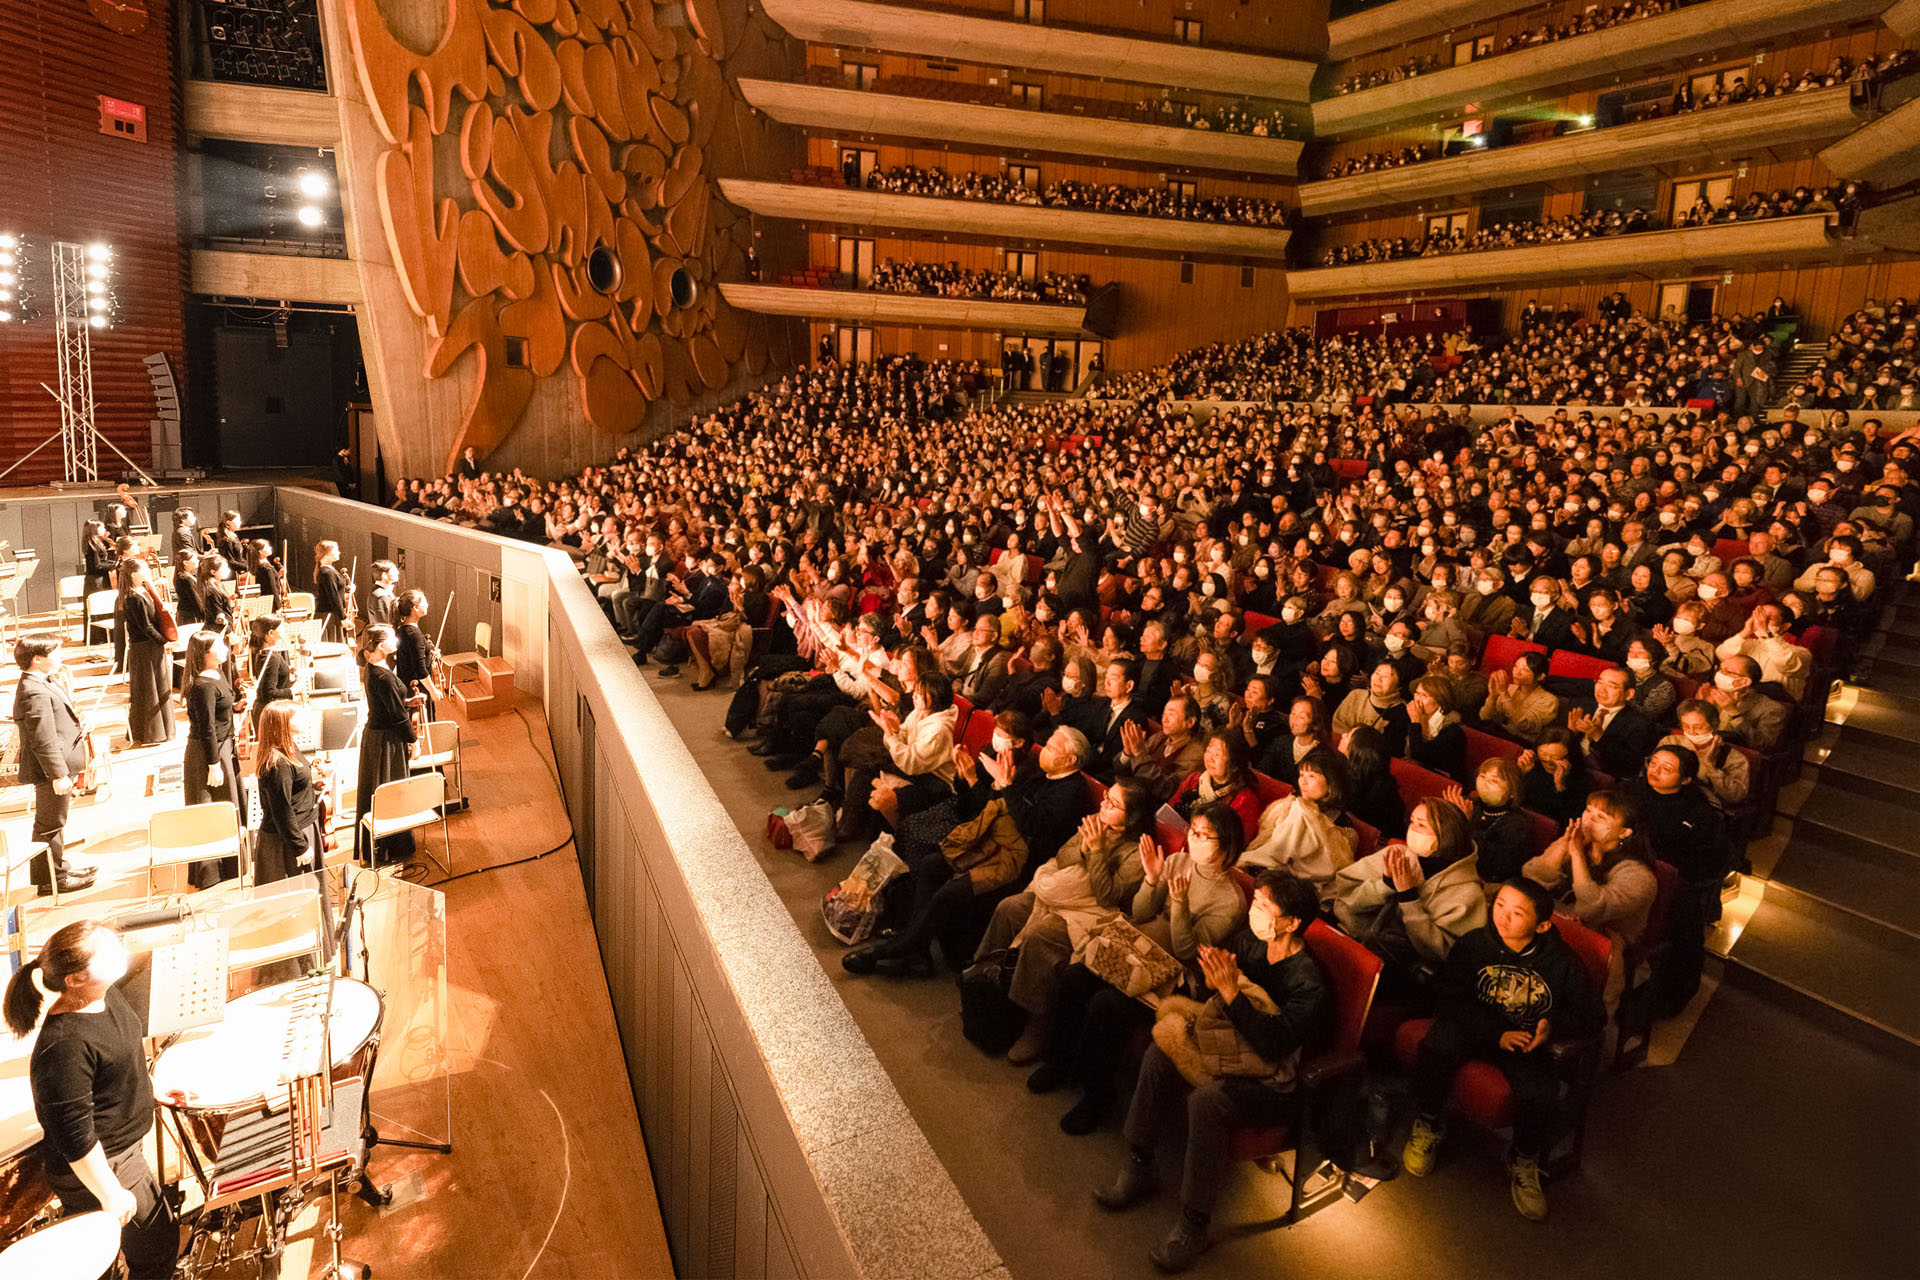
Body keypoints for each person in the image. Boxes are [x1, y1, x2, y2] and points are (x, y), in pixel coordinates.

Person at [1093, 869, 1331, 1273]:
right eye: (1254, 902)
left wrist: (1233, 993)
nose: (1254, 912)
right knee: (1161, 1050)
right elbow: (1216, 997)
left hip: (1274, 1081)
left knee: (1208, 1102)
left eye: (1264, 907)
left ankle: (1194, 1224)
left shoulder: (1307, 982)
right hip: (1231, 1045)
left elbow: (1275, 1044)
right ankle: (1139, 1164)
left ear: (1291, 923)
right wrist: (1214, 979)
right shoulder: (1252, 943)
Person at [1400, 878, 1604, 1223]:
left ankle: (1524, 1158)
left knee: (1541, 1091)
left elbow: (1593, 1016)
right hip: (1476, 1024)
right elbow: (1451, 995)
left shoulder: (1560, 962)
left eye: (1517, 912)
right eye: (1500, 906)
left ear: (1541, 925)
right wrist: (1496, 1033)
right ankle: (1429, 1123)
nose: (1503, 917)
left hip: (1524, 1037)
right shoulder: (1474, 944)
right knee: (1438, 1046)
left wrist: (1551, 1024)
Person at [7, 920, 178, 1278]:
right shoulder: (64, 1046)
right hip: (102, 1163)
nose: (120, 953)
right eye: (106, 954)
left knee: (152, 1245)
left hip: (122, 1152)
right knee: (152, 1252)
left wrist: (150, 1092)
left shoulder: (105, 996)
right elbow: (74, 1135)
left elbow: (121, 1054)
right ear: (75, 980)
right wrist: (110, 1193)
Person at [974, 777, 1153, 1065]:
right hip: (1061, 894)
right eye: (1106, 797)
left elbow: (1108, 896)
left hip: (1091, 913)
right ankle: (983, 981)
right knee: (1009, 907)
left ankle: (1035, 1024)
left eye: (1114, 804)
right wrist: (1084, 847)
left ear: (1130, 818)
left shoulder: (1134, 852)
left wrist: (1096, 851)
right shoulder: (1094, 822)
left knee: (1040, 936)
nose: (1104, 804)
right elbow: (1062, 855)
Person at [1332, 798, 1486, 994]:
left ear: (1445, 834)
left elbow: (1442, 953)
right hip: (1356, 941)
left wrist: (1409, 899)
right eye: (1412, 821)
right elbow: (1347, 899)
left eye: (1421, 825)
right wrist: (1385, 885)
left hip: (1402, 973)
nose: (1412, 829)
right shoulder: (1397, 853)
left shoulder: (1468, 892)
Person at [1523, 789, 1659, 1011]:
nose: (1588, 819)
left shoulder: (1640, 875)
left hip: (1605, 941)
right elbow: (1531, 876)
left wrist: (1576, 855)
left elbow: (1591, 908)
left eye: (1600, 817)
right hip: (1559, 920)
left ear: (1624, 832)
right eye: (1587, 811)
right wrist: (1564, 846)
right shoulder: (1580, 843)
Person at [10, 635, 97, 894]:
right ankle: (51, 880)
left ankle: (59, 868)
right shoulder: (33, 690)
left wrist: (78, 726)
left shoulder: (43, 682)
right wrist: (58, 774)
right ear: (37, 659)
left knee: (56, 821)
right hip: (51, 771)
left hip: (57, 765)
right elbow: (42, 737)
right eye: (55, 653)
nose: (60, 657)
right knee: (49, 824)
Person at [1239, 747, 1356, 896]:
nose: (1303, 782)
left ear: (1331, 784)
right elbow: (1270, 843)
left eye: (1312, 776)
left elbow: (1329, 869)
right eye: (1301, 775)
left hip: (1300, 889)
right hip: (1268, 869)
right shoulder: (1291, 805)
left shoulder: (1344, 828)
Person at [181, 630, 244, 889]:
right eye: (220, 645)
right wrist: (213, 763)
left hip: (223, 748)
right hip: (207, 754)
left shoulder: (217, 675)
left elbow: (221, 710)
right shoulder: (201, 686)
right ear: (206, 653)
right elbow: (206, 728)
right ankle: (209, 872)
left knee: (228, 804)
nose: (226, 648)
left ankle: (230, 866)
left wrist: (236, 707)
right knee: (209, 809)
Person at [356, 625, 424, 864]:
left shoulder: (376, 668)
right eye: (391, 638)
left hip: (381, 737)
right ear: (381, 646)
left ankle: (390, 846)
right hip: (385, 742)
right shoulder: (381, 676)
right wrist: (414, 741)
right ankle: (388, 848)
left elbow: (390, 704)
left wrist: (407, 700)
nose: (396, 639)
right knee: (389, 790)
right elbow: (396, 716)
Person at [253, 701, 327, 883]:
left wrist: (312, 787)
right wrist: (299, 846)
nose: (304, 719)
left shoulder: (290, 746)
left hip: (302, 828)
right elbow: (281, 810)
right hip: (287, 841)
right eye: (297, 716)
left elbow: (292, 791)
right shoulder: (278, 764)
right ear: (282, 723)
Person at [118, 558, 173, 746]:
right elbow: (146, 627)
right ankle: (149, 733)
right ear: (133, 575)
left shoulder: (144, 591)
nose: (148, 572)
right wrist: (164, 641)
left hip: (152, 646)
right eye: (145, 570)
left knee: (159, 687)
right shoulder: (133, 598)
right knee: (149, 690)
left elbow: (154, 618)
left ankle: (162, 731)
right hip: (144, 649)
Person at [1480, 651, 1559, 743]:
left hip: (1522, 742)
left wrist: (1505, 695)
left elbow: (1524, 725)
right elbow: (1486, 717)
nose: (1517, 672)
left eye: (1525, 670)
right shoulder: (1510, 688)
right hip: (1499, 734)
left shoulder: (1550, 700)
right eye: (1516, 666)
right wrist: (1492, 696)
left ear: (1540, 677)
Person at [247, 613, 295, 730]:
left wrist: (287, 678)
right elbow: (268, 693)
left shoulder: (264, 654)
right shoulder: (270, 657)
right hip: (271, 716)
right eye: (281, 627)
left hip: (271, 713)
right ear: (271, 633)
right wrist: (293, 690)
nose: (284, 630)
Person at [313, 539, 351, 644]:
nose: (339, 552)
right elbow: (334, 597)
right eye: (336, 550)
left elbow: (335, 590)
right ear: (327, 554)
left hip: (332, 614)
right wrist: (343, 618)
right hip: (329, 616)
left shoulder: (329, 570)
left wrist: (347, 589)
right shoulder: (327, 573)